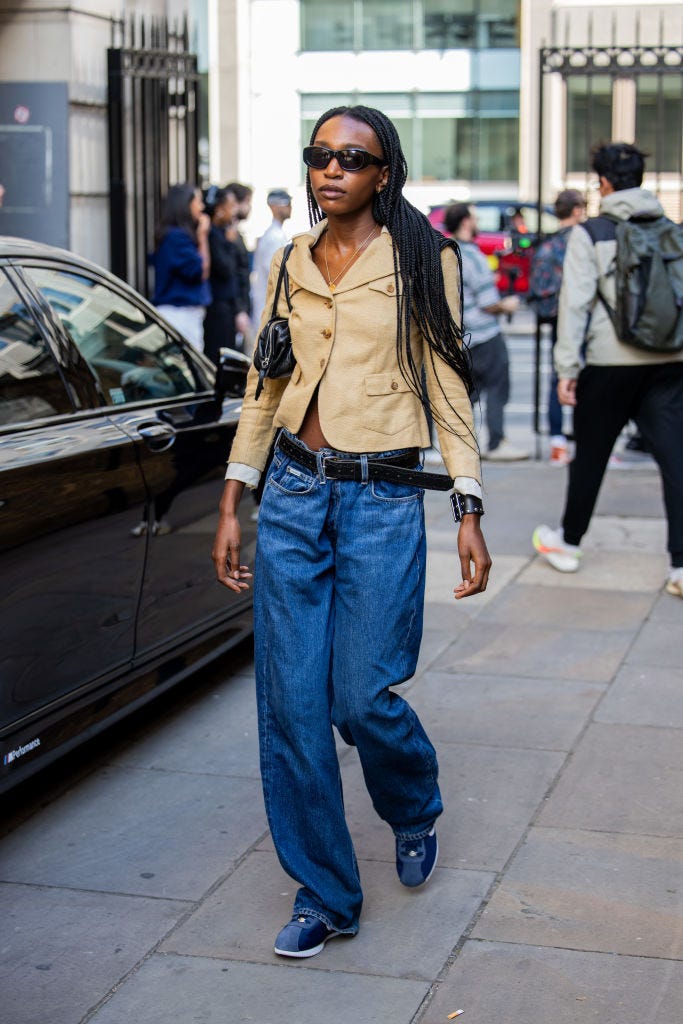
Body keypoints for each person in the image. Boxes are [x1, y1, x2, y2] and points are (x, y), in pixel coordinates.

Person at [211, 104, 491, 958]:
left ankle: (412, 803)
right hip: (294, 492)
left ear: (382, 173)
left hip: (380, 500)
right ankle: (325, 892)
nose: (330, 170)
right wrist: (235, 492)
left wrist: (467, 502)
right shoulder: (290, 260)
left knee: (360, 696)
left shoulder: (421, 259)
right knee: (291, 707)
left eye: (351, 158)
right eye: (319, 155)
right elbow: (267, 381)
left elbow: (447, 384)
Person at [533, 142, 683, 599]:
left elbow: (574, 304)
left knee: (591, 457)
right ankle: (681, 565)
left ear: (603, 183)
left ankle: (569, 543)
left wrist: (567, 368)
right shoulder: (672, 229)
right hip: (670, 362)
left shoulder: (591, 232)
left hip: (608, 363)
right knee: (676, 460)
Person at [444, 202, 530, 461]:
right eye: (474, 216)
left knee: (469, 392)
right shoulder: (473, 256)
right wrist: (509, 304)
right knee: (497, 387)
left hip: (464, 334)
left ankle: (454, 441)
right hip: (484, 333)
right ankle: (495, 441)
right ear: (466, 222)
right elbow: (488, 303)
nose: (477, 220)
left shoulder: (449, 252)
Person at [528, 188, 586, 464]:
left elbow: (537, 289)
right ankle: (586, 442)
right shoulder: (584, 242)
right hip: (584, 322)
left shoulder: (548, 247)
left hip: (557, 322)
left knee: (558, 380)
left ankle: (557, 443)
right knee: (586, 382)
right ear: (576, 210)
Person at [151, 184, 211, 352]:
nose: (202, 207)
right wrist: (203, 236)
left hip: (184, 314)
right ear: (186, 204)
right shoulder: (175, 237)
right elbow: (201, 270)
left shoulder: (175, 235)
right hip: (180, 314)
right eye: (198, 201)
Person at [203, 185, 240, 365]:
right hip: (217, 308)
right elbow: (225, 269)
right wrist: (230, 243)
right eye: (231, 206)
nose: (234, 211)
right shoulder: (213, 235)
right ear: (219, 210)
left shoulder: (221, 233)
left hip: (226, 306)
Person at [250, 188, 293, 326]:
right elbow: (276, 275)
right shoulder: (274, 237)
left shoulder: (276, 234)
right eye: (285, 203)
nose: (290, 207)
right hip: (269, 308)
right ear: (273, 206)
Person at [225, 182, 254, 349]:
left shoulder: (235, 234)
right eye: (248, 202)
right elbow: (233, 274)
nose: (249, 207)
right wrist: (239, 310)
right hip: (233, 311)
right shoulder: (228, 235)